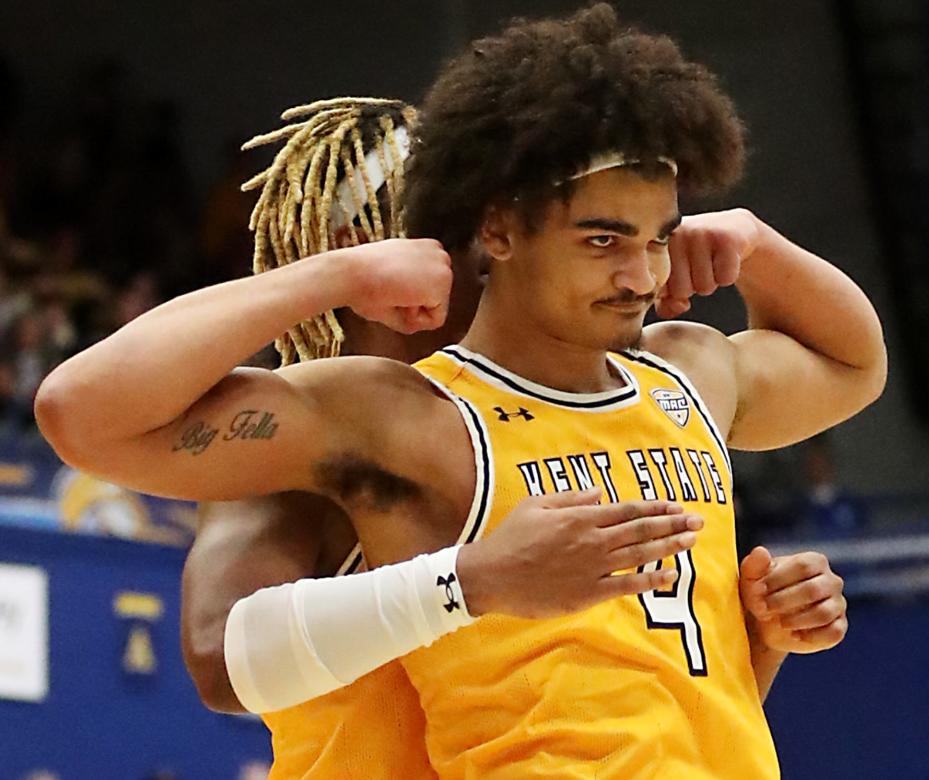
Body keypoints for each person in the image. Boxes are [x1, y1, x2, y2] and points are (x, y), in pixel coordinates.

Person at [36, 5, 880, 777]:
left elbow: (627, 704)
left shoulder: (644, 384)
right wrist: (328, 277)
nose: (469, 259)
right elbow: (221, 660)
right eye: (444, 230)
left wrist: (755, 640)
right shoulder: (357, 424)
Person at [182, 97, 848, 779]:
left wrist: (756, 642)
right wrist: (468, 582)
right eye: (471, 222)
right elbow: (215, 657)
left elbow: (607, 728)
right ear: (369, 243)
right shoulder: (312, 436)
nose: (502, 240)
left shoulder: (586, 411)